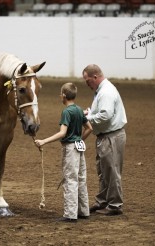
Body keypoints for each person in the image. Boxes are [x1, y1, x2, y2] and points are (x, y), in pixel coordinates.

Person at [35, 82, 93, 223]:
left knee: (70, 180)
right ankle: (84, 211)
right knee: (81, 178)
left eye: (61, 94)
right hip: (79, 147)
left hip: (70, 149)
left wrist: (44, 141)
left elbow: (62, 133)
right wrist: (79, 140)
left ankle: (70, 214)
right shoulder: (79, 109)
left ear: (64, 96)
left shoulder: (66, 112)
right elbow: (89, 128)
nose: (60, 96)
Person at [82, 64, 127, 216]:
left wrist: (86, 117)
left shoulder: (105, 92)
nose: (87, 84)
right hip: (107, 136)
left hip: (111, 136)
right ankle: (103, 201)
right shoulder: (102, 90)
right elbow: (101, 112)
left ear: (95, 77)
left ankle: (114, 205)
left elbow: (106, 115)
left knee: (111, 171)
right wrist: (91, 112)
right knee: (104, 171)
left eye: (88, 81)